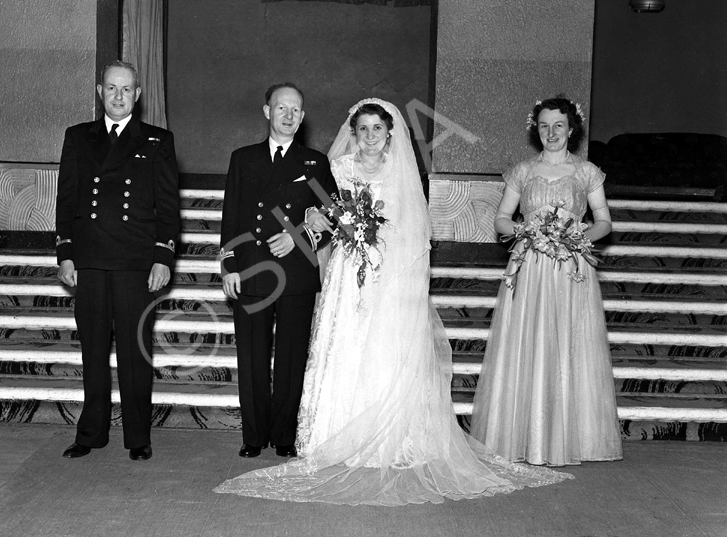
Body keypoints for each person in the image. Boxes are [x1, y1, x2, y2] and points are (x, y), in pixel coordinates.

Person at [214, 98, 571, 506]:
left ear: (390, 135)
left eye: (377, 130)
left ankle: (377, 434)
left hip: (387, 274)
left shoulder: (394, 172)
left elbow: (407, 229)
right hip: (349, 272)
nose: (369, 137)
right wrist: (339, 238)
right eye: (362, 129)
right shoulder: (336, 169)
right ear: (353, 133)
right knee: (341, 346)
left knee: (380, 348)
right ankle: (321, 431)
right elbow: (325, 214)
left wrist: (387, 261)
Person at [470, 95, 623, 467]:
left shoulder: (587, 171)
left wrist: (580, 235)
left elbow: (604, 220)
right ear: (535, 130)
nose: (551, 133)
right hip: (531, 265)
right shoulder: (522, 171)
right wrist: (527, 231)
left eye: (558, 125)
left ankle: (571, 438)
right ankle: (523, 435)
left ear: (571, 129)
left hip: (572, 267)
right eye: (543, 126)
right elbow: (502, 219)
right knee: (529, 340)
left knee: (570, 343)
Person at [55, 60, 180, 461]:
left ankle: (138, 437)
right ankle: (90, 434)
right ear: (99, 91)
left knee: (134, 351)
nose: (119, 96)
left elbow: (168, 206)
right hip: (89, 258)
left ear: (138, 95)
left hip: (135, 260)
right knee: (92, 350)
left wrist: (163, 256)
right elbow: (68, 199)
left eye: (126, 89)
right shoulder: (78, 137)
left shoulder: (158, 141)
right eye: (111, 88)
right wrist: (65, 252)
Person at [219, 82, 337, 459]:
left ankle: (284, 434)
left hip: (296, 272)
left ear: (303, 117)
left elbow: (333, 218)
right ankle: (253, 435)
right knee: (252, 356)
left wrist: (298, 238)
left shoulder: (315, 163)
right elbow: (232, 217)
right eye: (281, 108)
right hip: (251, 269)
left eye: (296, 110)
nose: (289, 115)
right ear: (267, 111)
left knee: (290, 357)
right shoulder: (243, 158)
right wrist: (229, 267)